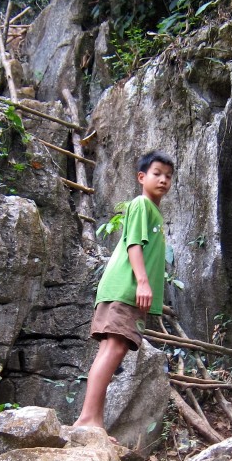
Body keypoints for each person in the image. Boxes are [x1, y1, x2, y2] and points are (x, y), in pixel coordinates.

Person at [73, 151, 175, 431]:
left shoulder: (152, 210)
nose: (163, 180)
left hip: (122, 290)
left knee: (111, 349)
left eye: (168, 176)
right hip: (126, 289)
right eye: (157, 173)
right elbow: (134, 245)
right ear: (141, 177)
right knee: (114, 348)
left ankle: (93, 420)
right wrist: (142, 282)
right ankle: (87, 420)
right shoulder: (142, 204)